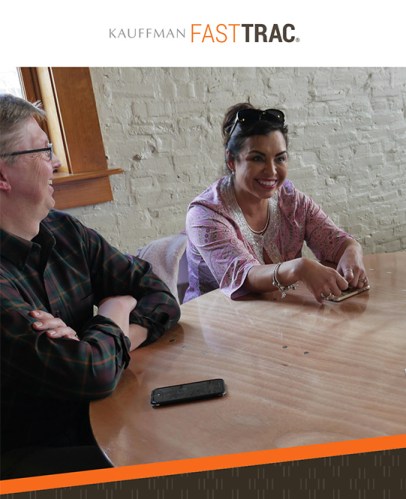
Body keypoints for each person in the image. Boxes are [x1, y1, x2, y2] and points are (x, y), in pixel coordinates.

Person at [0, 94, 181, 478]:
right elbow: (92, 375)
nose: (57, 162)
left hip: (104, 413)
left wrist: (99, 344)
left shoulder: (65, 232)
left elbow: (161, 297)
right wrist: (115, 312)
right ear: (2, 176)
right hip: (30, 452)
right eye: (44, 150)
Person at [184, 102, 368, 303]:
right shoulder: (206, 214)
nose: (271, 171)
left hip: (279, 316)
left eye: (280, 159)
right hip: (213, 324)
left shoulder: (291, 200)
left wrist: (352, 250)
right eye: (257, 158)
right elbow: (244, 275)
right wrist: (299, 268)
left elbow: (335, 240)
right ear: (231, 160)